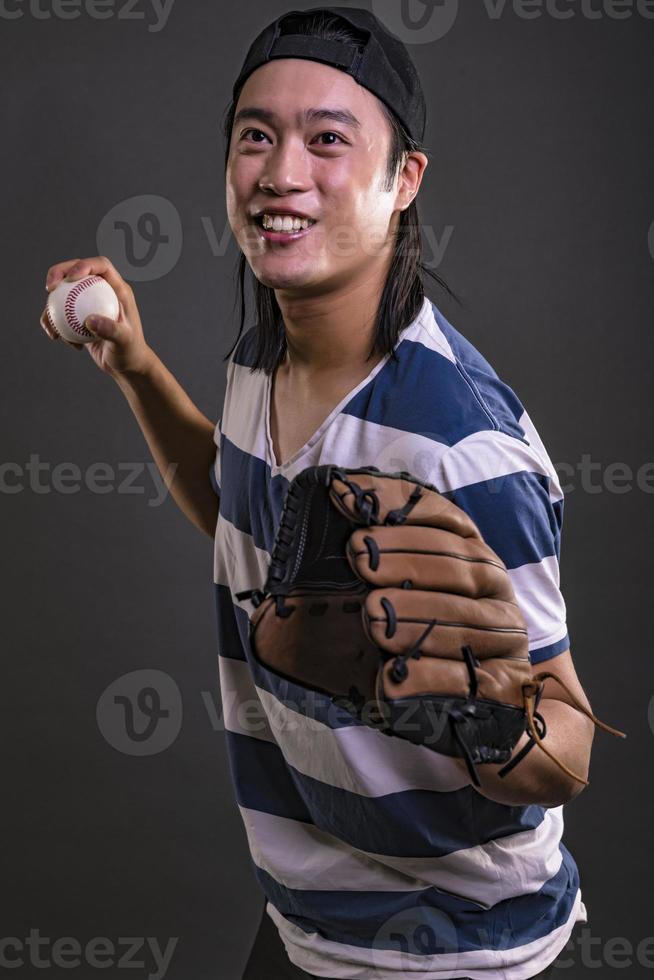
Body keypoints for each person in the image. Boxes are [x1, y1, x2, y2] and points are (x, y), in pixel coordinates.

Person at [41, 7, 595, 977]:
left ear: (404, 180)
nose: (282, 172)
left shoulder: (461, 444)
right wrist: (130, 363)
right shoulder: (263, 355)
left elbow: (568, 747)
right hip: (310, 918)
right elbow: (236, 514)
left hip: (459, 950)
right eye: (257, 135)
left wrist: (483, 702)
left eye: (327, 139)